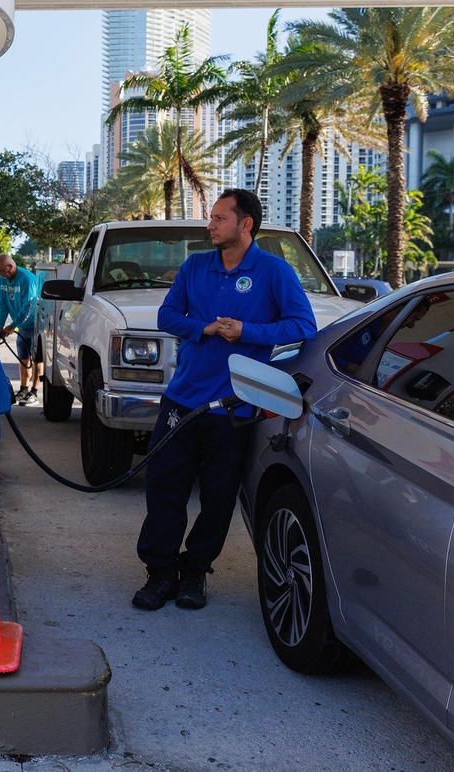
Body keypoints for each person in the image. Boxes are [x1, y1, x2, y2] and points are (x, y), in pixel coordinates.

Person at [133, 189, 316, 611]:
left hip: (235, 409)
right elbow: (167, 316)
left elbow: (301, 325)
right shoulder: (196, 266)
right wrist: (206, 329)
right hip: (182, 402)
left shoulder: (274, 272)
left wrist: (247, 331)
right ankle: (159, 574)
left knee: (218, 497)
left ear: (245, 223)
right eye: (211, 218)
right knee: (164, 491)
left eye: (219, 218)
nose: (210, 225)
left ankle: (195, 572)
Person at [0, 253, 42, 405]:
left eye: (2, 270)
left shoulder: (26, 279)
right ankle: (23, 389)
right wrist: (0, 328)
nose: (1, 274)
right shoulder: (2, 280)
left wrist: (12, 326)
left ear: (10, 266)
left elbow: (29, 307)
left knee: (37, 359)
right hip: (21, 326)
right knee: (23, 358)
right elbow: (2, 304)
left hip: (36, 326)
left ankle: (34, 391)